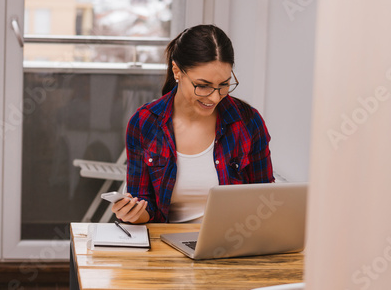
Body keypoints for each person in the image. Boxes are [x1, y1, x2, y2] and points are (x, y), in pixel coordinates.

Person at [112, 24, 275, 224]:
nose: (215, 98)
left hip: (233, 244)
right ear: (177, 71)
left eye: (223, 85)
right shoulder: (145, 123)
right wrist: (135, 213)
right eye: (203, 86)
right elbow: (145, 203)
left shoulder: (248, 122)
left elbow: (265, 199)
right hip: (167, 247)